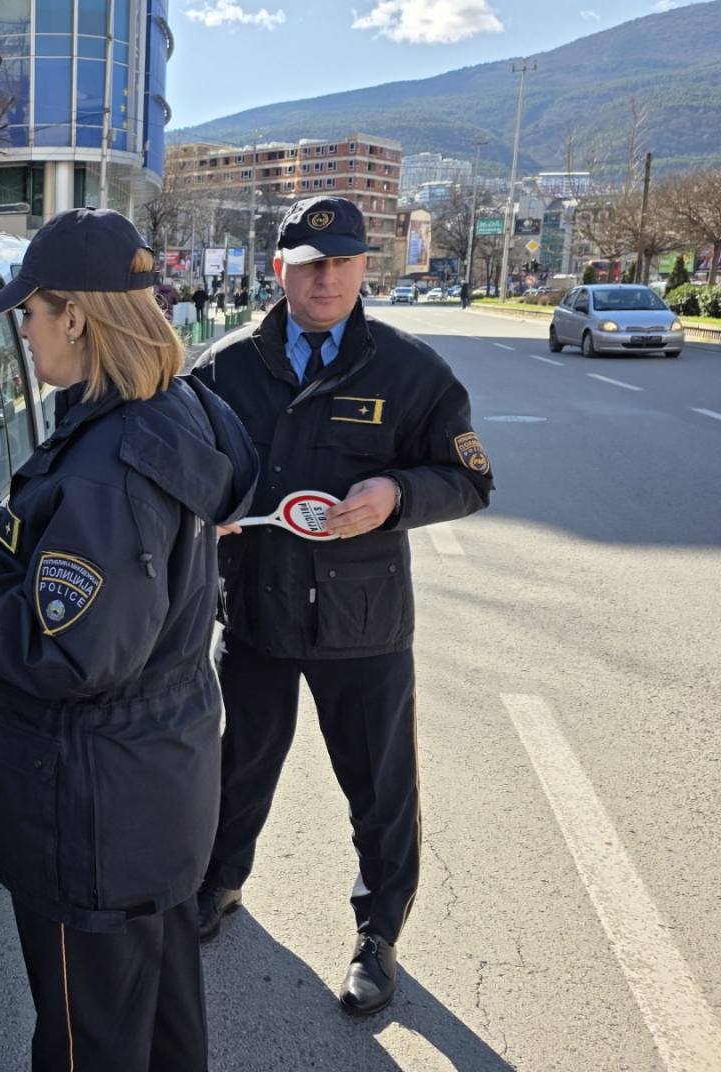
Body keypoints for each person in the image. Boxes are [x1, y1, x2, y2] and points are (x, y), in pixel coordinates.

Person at [0, 207, 258, 1072]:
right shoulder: (174, 408)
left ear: (76, 316)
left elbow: (71, 654)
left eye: (30, 313)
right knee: (163, 1021)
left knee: (85, 1045)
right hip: (151, 794)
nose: (24, 333)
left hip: (94, 818)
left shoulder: (109, 467)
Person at [188, 196, 494, 1016]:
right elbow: (180, 467)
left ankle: (379, 934)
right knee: (237, 765)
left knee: (380, 788)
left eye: (343, 262)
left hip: (364, 626)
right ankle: (219, 884)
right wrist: (199, 509)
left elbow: (470, 478)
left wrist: (396, 492)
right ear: (279, 267)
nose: (326, 278)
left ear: (366, 267)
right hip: (254, 612)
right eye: (309, 262)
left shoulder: (411, 371)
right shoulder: (221, 368)